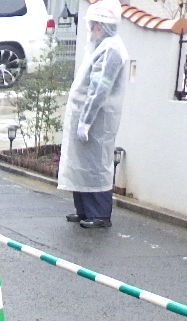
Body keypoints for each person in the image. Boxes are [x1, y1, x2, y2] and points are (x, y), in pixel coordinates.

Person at [57, 0, 129, 228]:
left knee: (96, 166)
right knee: (82, 165)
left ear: (102, 25)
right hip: (88, 118)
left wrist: (86, 121)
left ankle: (99, 214)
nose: (91, 29)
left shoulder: (111, 50)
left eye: (94, 25)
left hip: (98, 120)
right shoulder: (101, 47)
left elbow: (99, 90)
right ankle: (84, 209)